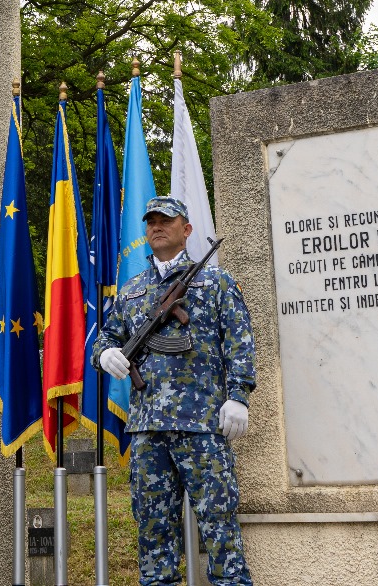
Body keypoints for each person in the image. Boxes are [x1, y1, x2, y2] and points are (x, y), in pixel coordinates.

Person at [95, 196, 255, 586]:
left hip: (202, 424)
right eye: (150, 221)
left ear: (186, 230)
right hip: (148, 429)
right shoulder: (132, 290)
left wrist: (238, 395)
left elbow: (239, 340)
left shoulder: (214, 281)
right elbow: (105, 338)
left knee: (218, 524)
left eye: (166, 220)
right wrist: (106, 355)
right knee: (153, 529)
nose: (156, 226)